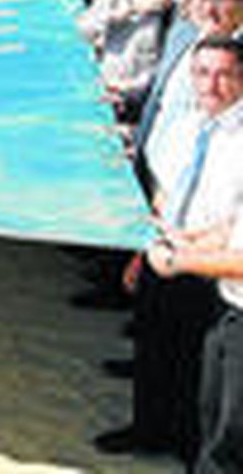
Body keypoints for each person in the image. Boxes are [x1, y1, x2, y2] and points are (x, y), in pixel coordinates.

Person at [141, 38, 243, 473]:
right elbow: (231, 224)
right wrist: (184, 240)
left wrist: (180, 259)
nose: (212, 85)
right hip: (226, 298)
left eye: (225, 74)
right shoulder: (193, 122)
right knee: (210, 414)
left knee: (227, 437)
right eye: (202, 73)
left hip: (221, 286)